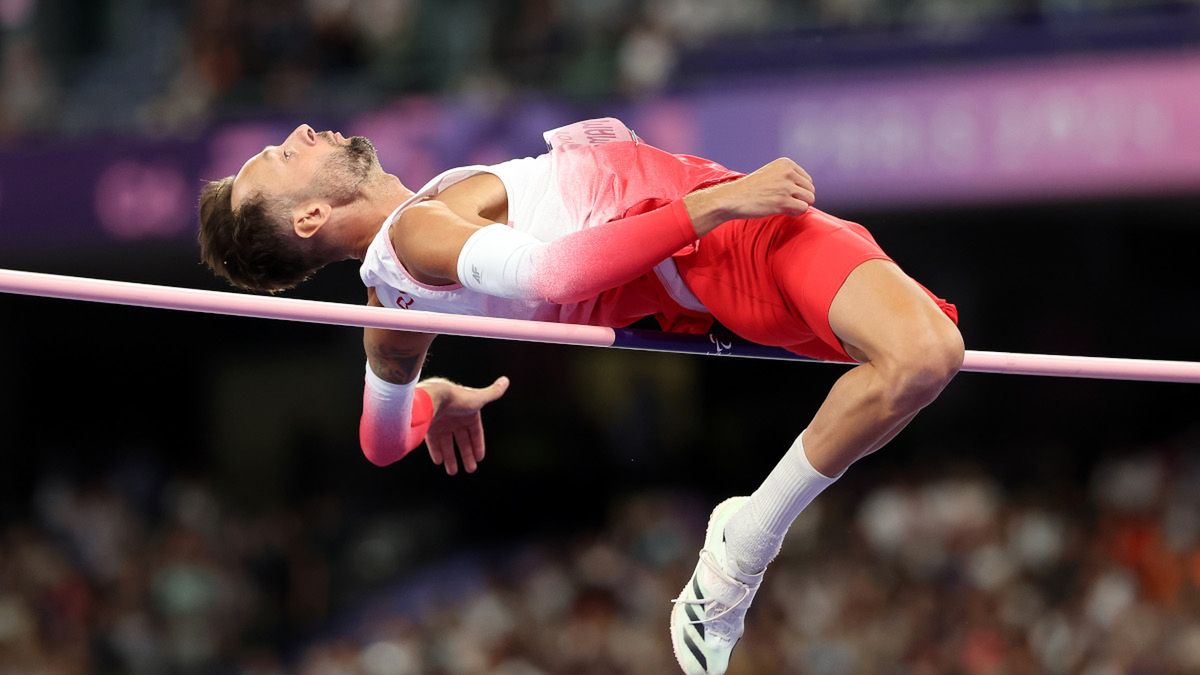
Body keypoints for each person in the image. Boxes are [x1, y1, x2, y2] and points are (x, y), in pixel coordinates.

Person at [197, 118, 962, 674]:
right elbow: (553, 274)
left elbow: (380, 440)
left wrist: (433, 397)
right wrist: (716, 205)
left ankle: (743, 541)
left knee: (910, 364)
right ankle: (743, 546)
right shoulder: (416, 233)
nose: (297, 131)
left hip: (703, 277)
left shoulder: (385, 312)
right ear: (309, 217)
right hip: (724, 241)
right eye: (279, 158)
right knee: (922, 355)